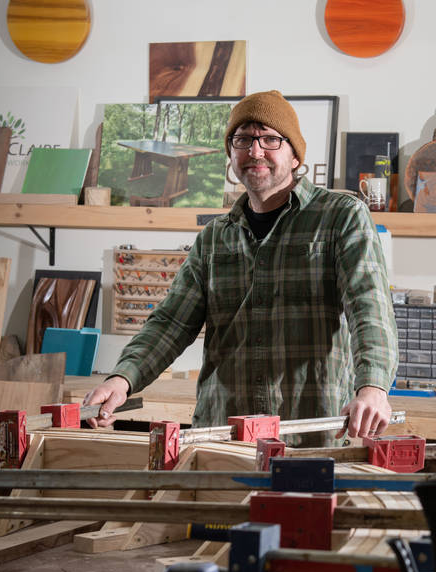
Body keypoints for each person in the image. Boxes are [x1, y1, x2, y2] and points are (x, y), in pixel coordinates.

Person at [84, 90, 398, 443]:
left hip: (306, 435)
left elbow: (369, 308)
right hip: (223, 435)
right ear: (231, 154)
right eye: (243, 139)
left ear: (295, 156)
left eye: (270, 139)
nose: (255, 151)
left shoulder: (341, 216)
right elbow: (170, 322)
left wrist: (372, 387)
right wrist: (121, 379)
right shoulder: (215, 237)